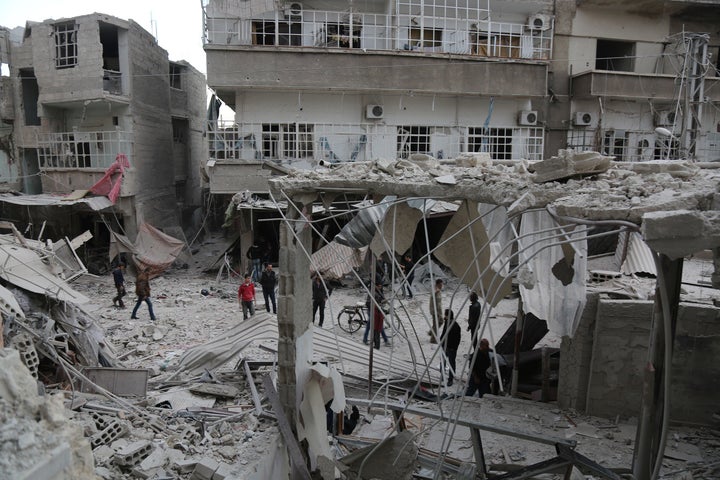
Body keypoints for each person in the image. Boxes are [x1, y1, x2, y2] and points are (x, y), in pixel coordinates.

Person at [441, 309, 461, 386]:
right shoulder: (447, 322)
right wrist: (441, 341)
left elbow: (457, 339)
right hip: (445, 346)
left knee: (451, 363)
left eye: (445, 315)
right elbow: (444, 333)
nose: (444, 316)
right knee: (443, 361)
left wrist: (454, 348)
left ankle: (450, 379)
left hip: (451, 347)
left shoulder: (455, 326)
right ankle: (442, 375)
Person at [428, 278, 444, 343]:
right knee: (436, 324)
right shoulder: (434, 290)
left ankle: (431, 332)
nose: (441, 286)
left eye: (442, 284)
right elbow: (432, 294)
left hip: (439, 310)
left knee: (441, 322)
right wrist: (436, 292)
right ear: (437, 284)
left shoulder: (439, 290)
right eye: (440, 285)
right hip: (435, 310)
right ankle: (433, 339)